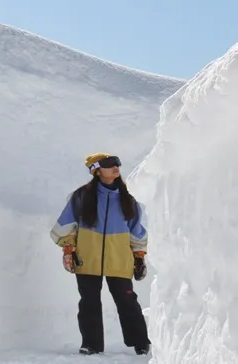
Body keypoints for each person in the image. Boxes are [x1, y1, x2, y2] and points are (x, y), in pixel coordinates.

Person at [50, 152, 152, 356]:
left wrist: (139, 256)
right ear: (96, 170)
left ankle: (141, 342)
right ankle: (91, 344)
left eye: (117, 163)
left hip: (119, 258)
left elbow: (136, 231)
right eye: (109, 163)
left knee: (127, 299)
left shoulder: (128, 201)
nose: (116, 167)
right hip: (87, 257)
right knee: (89, 301)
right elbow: (65, 224)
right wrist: (68, 249)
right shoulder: (81, 197)